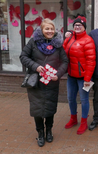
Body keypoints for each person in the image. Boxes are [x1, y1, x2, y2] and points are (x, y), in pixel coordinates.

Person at [20, 19, 68, 147]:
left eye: (52, 29)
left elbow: (65, 62)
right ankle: (40, 133)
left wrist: (57, 75)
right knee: (37, 109)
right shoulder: (33, 42)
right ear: (41, 30)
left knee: (50, 109)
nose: (50, 31)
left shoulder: (58, 44)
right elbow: (23, 56)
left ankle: (49, 131)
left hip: (51, 83)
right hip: (36, 82)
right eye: (47, 29)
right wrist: (35, 66)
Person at [62, 15, 96, 135]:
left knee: (84, 100)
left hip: (83, 78)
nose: (77, 27)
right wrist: (67, 38)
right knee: (71, 98)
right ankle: (73, 119)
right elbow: (63, 51)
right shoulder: (70, 38)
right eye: (75, 25)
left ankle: (83, 122)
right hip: (71, 75)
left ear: (84, 27)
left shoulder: (88, 40)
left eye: (80, 25)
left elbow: (91, 61)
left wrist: (87, 78)